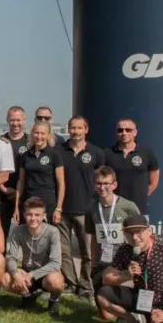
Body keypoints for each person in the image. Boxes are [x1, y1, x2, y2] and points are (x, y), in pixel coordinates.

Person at [57, 116, 104, 298]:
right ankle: (70, 283)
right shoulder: (59, 151)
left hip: (87, 210)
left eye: (79, 128)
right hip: (62, 210)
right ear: (68, 129)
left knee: (88, 252)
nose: (75, 131)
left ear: (86, 130)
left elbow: (102, 180)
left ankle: (85, 286)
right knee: (64, 251)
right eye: (72, 128)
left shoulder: (96, 153)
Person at [87, 166, 141, 310]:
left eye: (106, 183)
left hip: (125, 257)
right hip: (104, 258)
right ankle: (119, 308)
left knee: (114, 281)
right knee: (106, 314)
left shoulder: (128, 206)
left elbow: (141, 232)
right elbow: (94, 237)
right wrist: (93, 261)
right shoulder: (92, 210)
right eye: (99, 183)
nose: (102, 187)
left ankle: (130, 310)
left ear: (114, 185)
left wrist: (139, 256)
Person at [4, 197, 65, 318]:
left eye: (37, 215)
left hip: (45, 273)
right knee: (5, 279)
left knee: (56, 281)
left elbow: (55, 263)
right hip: (27, 270)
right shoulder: (18, 231)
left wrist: (32, 275)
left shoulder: (53, 232)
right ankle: (27, 297)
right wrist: (15, 274)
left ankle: (53, 300)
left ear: (44, 216)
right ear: (24, 215)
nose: (33, 218)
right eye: (29, 214)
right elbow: (10, 257)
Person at [14, 121, 65, 225]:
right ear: (32, 133)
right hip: (29, 201)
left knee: (46, 233)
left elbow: (61, 183)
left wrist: (58, 208)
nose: (39, 136)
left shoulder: (54, 154)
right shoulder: (25, 155)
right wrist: (16, 207)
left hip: (48, 202)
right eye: (36, 133)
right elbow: (21, 182)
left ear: (48, 135)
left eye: (42, 133)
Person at [104, 118, 159, 213]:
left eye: (128, 130)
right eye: (120, 130)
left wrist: (142, 195)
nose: (124, 133)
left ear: (135, 132)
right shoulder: (107, 153)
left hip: (139, 208)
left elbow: (154, 181)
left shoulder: (146, 153)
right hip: (114, 208)